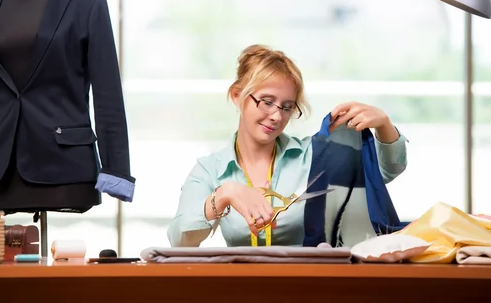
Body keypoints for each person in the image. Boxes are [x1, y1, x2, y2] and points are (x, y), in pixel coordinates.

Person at [167, 44, 408, 247]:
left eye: (286, 107)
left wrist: (383, 125)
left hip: (306, 290)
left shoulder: (315, 156)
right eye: (267, 101)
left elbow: (385, 171)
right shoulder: (210, 171)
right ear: (237, 95)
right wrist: (224, 195)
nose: (276, 116)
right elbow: (180, 240)